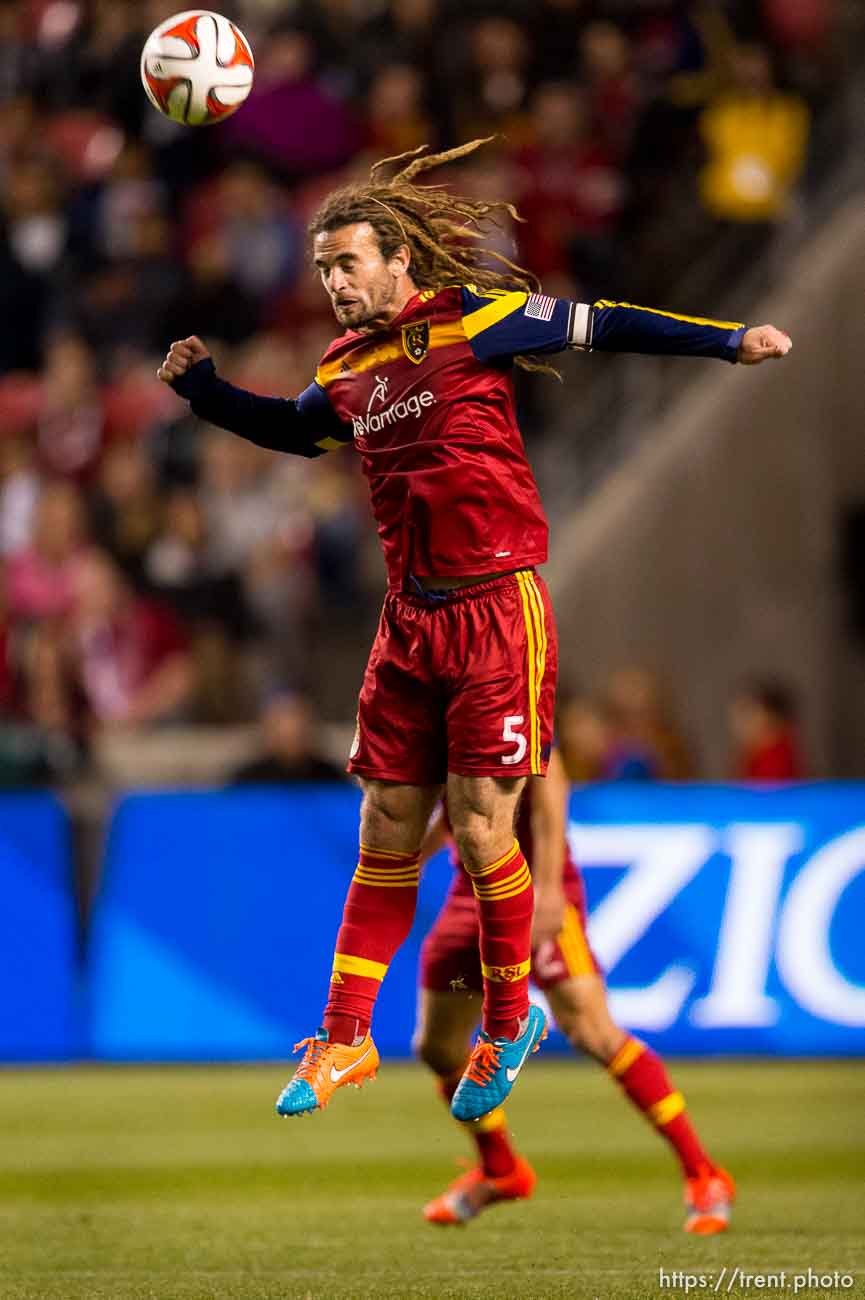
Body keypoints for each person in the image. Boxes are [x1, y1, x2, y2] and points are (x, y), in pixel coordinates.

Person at [157, 137, 791, 1123]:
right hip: (407, 618)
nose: (334, 282)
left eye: (349, 262)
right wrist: (203, 392)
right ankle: (343, 1038)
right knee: (385, 831)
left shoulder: (472, 320)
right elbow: (295, 428)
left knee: (486, 822)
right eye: (323, 268)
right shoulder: (348, 363)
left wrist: (726, 339)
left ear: (399, 260)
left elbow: (602, 324)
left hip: (498, 606)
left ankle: (505, 1021)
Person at [415, 749, 734, 1234]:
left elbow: (547, 798)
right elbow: (460, 803)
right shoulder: (435, 723)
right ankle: (501, 1170)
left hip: (531, 889)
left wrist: (546, 889)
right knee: (436, 1047)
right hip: (470, 895)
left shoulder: (509, 712)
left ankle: (705, 1175)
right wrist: (418, 852)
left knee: (593, 1032)